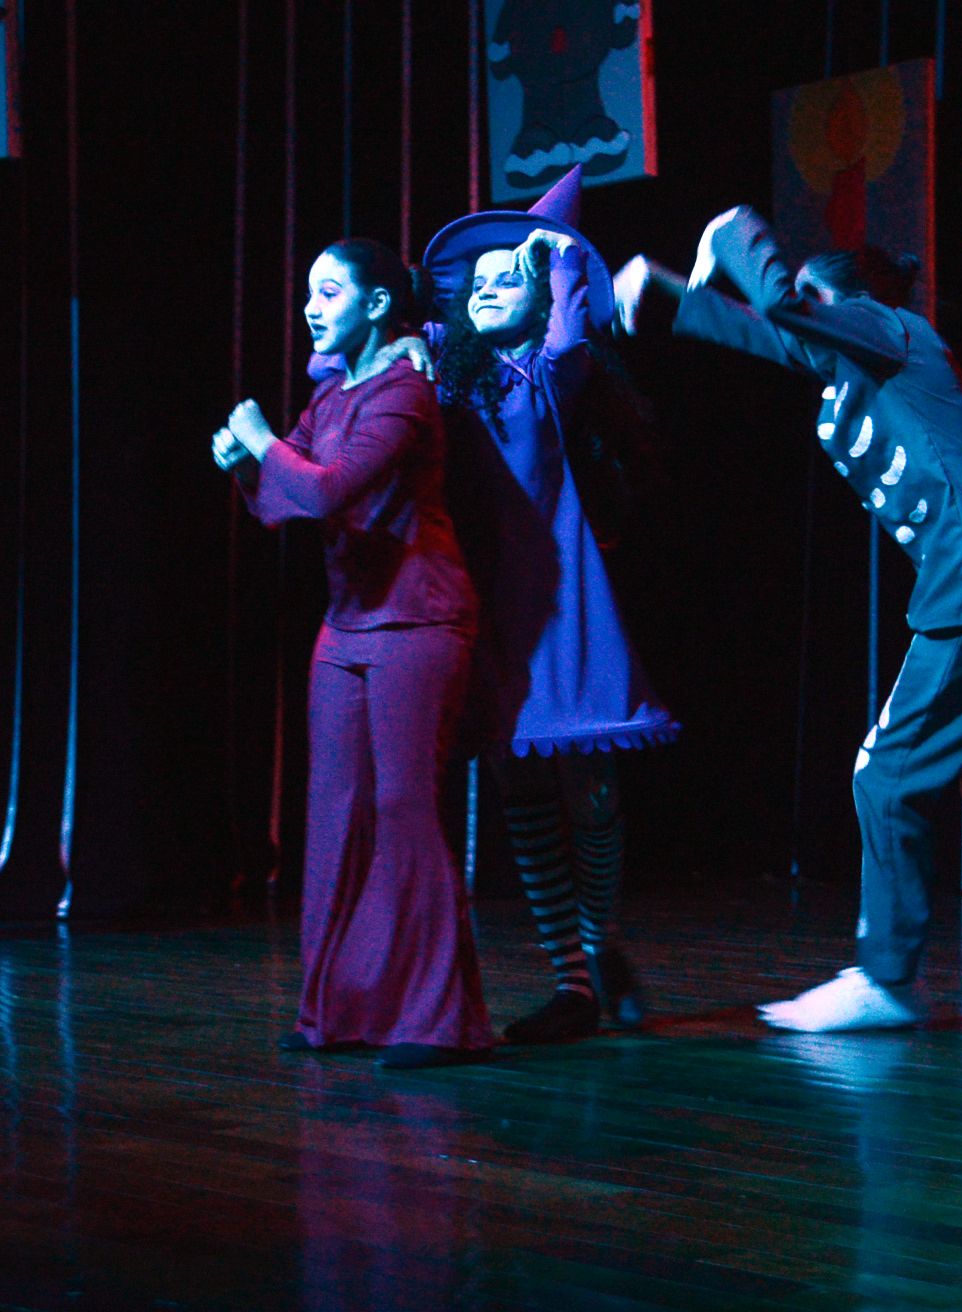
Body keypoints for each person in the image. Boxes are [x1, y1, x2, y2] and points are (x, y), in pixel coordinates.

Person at [613, 207, 962, 1030]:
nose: (806, 324)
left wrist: (735, 234)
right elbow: (770, 333)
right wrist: (663, 291)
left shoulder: (890, 329)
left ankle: (887, 976)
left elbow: (784, 310)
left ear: (842, 302)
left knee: (885, 774)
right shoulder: (853, 365)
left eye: (815, 305)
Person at [214, 238, 493, 1069]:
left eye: (329, 291)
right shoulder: (331, 393)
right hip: (346, 626)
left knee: (406, 809)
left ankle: (439, 1023)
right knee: (335, 815)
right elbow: (283, 503)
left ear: (377, 305)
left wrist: (260, 438)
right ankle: (335, 1014)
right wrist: (246, 466)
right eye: (309, 292)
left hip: (417, 620)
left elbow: (330, 489)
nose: (311, 306)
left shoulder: (405, 393)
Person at [415, 167, 677, 1044]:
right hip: (484, 603)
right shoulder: (449, 377)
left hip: (562, 602)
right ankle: (572, 980)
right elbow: (345, 354)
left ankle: (599, 950)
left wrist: (554, 257)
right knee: (519, 787)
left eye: (509, 278)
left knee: (591, 791)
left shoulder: (546, 376)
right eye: (478, 281)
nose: (488, 288)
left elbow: (569, 340)